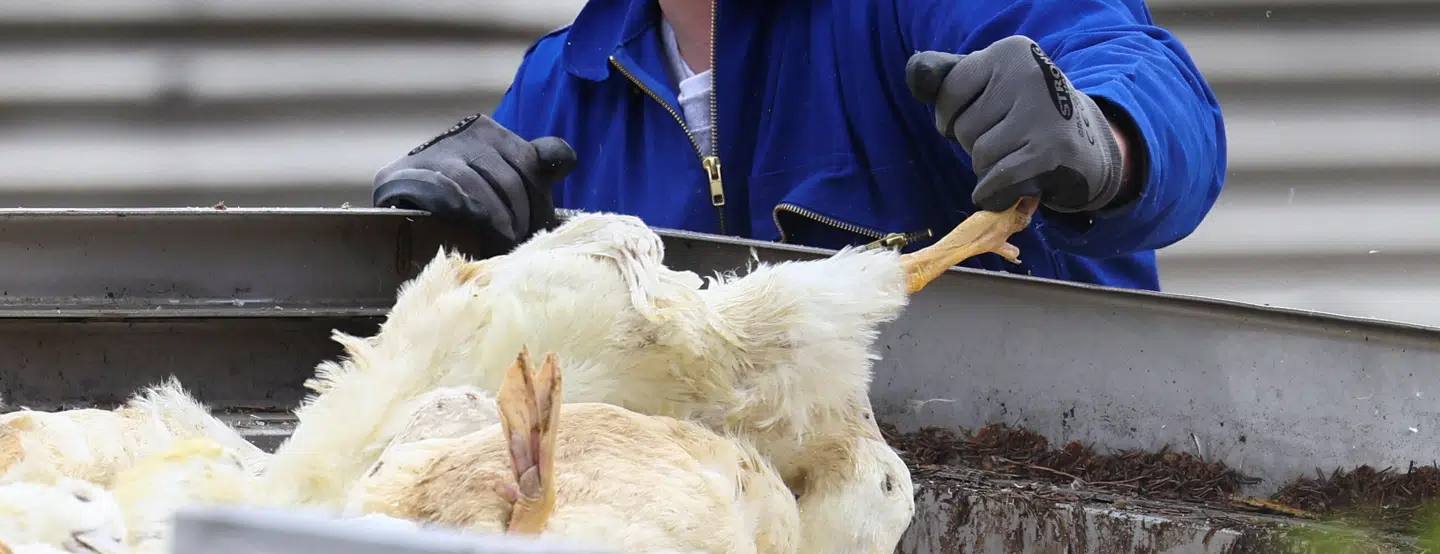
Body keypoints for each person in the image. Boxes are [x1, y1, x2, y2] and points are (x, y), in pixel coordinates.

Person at [371, 0, 1226, 291]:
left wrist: (1105, 139)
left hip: (1030, 542)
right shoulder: (562, 83)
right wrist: (429, 243)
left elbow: (1139, 72)